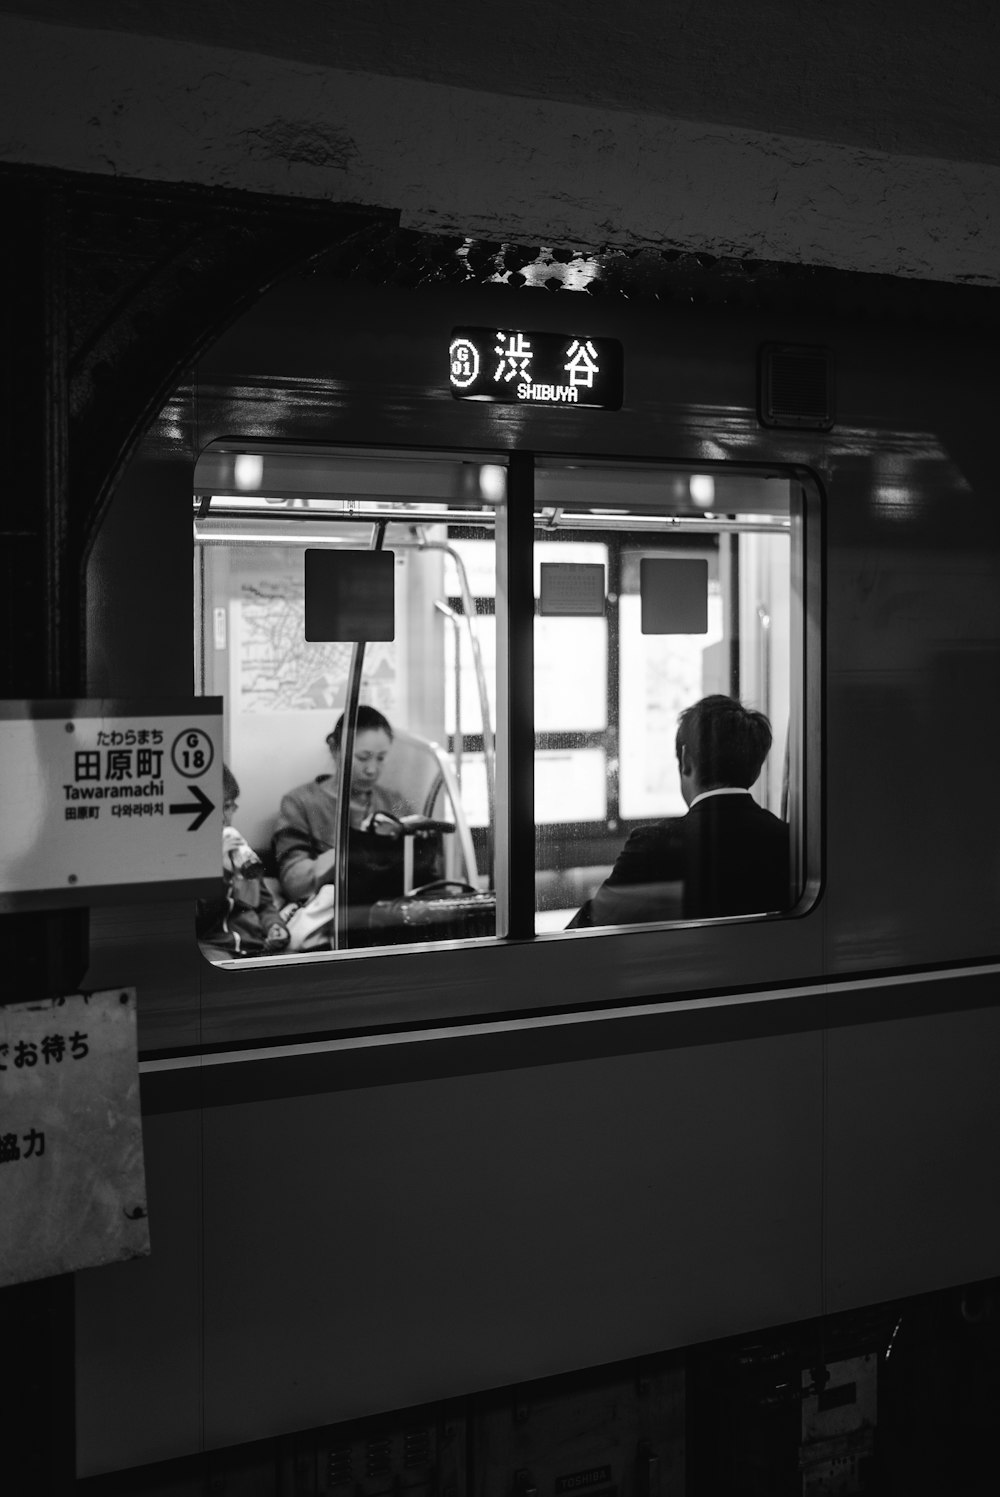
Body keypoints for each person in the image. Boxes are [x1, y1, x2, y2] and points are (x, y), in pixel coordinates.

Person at [578, 695, 790, 927]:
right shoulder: (788, 840)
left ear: (687, 759)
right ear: (756, 769)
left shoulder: (652, 844)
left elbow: (588, 930)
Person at [273, 706, 443, 940]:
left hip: (391, 925)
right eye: (362, 758)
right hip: (334, 929)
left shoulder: (395, 804)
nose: (372, 769)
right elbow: (296, 882)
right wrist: (357, 848)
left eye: (381, 758)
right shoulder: (300, 803)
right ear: (335, 749)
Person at [197, 765, 291, 958]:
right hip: (215, 946)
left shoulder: (241, 851)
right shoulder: (189, 858)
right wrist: (221, 874)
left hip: (255, 945)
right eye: (213, 808)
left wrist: (274, 925)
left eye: (228, 806)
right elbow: (198, 922)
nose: (224, 817)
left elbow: (264, 904)